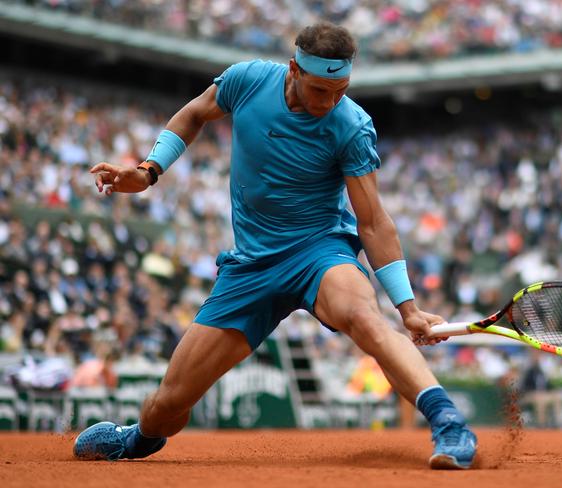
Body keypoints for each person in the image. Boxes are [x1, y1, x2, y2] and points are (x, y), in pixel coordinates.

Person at [73, 22, 477, 469]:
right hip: (251, 266)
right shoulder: (247, 80)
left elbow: (374, 222)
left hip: (318, 252)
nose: (330, 102)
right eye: (321, 90)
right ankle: (138, 439)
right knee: (169, 403)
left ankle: (450, 425)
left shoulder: (352, 126)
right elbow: (192, 114)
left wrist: (408, 308)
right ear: (293, 70)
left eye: (340, 89)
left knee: (365, 318)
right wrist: (149, 171)